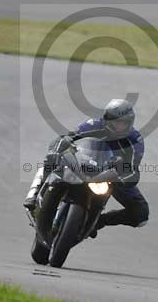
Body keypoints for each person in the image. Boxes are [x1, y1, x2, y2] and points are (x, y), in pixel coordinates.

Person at [24, 99, 148, 236]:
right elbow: (66, 138)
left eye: (124, 123)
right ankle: (35, 194)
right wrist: (57, 149)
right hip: (84, 163)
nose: (120, 127)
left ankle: (98, 222)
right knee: (52, 158)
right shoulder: (94, 124)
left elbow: (133, 169)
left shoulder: (135, 140)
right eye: (116, 122)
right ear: (107, 120)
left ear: (130, 122)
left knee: (141, 214)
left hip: (111, 174)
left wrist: (125, 178)